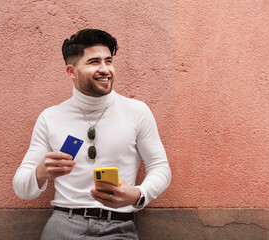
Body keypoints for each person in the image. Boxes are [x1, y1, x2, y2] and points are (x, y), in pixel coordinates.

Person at [13, 28, 171, 239]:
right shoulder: (50, 117)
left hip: (119, 226)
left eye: (109, 61)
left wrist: (139, 195)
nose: (105, 69)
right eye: (94, 62)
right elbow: (21, 188)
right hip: (63, 224)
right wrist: (40, 173)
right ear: (71, 71)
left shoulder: (137, 111)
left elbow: (161, 168)